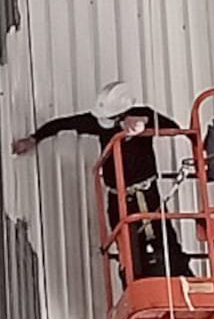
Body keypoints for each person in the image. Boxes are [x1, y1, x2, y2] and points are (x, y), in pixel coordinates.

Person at [13, 81, 194, 280]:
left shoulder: (142, 115)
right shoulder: (98, 122)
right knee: (127, 249)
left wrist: (144, 122)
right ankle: (134, 290)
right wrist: (34, 138)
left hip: (147, 194)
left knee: (165, 239)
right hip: (117, 197)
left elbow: (173, 128)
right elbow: (63, 124)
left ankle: (187, 284)